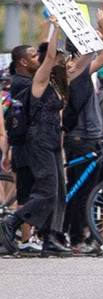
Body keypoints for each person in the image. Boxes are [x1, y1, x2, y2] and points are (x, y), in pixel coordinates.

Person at [0, 24, 79, 257]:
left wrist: (102, 25)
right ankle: (12, 222)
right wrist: (55, 28)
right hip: (39, 140)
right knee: (45, 190)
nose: (67, 62)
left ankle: (50, 238)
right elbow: (51, 55)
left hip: (53, 140)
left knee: (57, 191)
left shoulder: (51, 83)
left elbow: (87, 62)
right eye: (34, 55)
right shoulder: (36, 82)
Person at [60, 2, 103, 253]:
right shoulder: (68, 73)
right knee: (79, 191)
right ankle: (76, 238)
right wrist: (101, 28)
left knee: (89, 190)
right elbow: (93, 52)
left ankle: (82, 236)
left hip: (91, 136)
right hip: (80, 138)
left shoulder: (81, 72)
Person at [3, 44, 40, 253]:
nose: (38, 59)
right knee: (27, 194)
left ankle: (28, 235)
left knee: (26, 191)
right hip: (24, 147)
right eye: (34, 56)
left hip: (21, 146)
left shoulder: (20, 82)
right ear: (23, 62)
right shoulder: (23, 84)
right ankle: (25, 238)